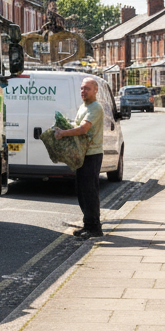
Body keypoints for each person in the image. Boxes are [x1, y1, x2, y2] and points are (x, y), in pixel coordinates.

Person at [55, 76, 105, 239]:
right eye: (82, 88)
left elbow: (83, 129)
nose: (83, 91)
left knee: (90, 192)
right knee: (82, 192)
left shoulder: (95, 108)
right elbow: (77, 126)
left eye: (87, 88)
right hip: (82, 155)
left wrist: (63, 133)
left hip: (92, 154)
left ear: (95, 90)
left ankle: (95, 228)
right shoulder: (84, 107)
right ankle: (88, 225)